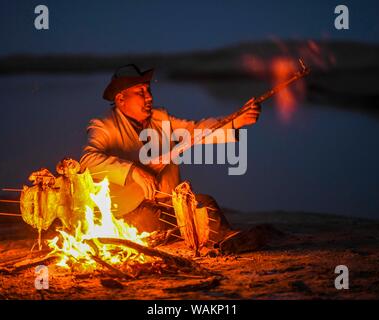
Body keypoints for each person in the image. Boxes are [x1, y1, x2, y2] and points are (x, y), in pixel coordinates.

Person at [80, 64, 260, 243]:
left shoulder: (160, 118)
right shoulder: (104, 126)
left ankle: (226, 239)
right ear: (121, 99)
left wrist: (236, 121)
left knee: (204, 203)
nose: (149, 97)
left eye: (148, 90)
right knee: (151, 222)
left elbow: (195, 131)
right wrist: (133, 171)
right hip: (130, 211)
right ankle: (196, 234)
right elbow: (88, 160)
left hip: (168, 203)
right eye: (140, 92)